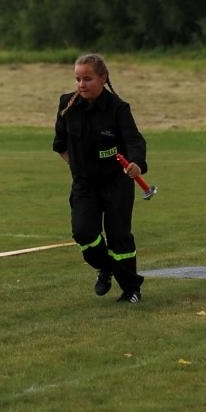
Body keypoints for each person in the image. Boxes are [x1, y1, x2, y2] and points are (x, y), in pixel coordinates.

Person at [53, 53, 148, 303]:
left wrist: (137, 163)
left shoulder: (118, 108)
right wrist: (78, 167)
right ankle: (104, 267)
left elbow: (134, 141)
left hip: (116, 183)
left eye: (87, 79)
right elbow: (60, 144)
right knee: (83, 232)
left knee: (119, 237)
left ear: (103, 78)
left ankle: (131, 290)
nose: (81, 85)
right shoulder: (66, 105)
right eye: (77, 79)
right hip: (85, 184)